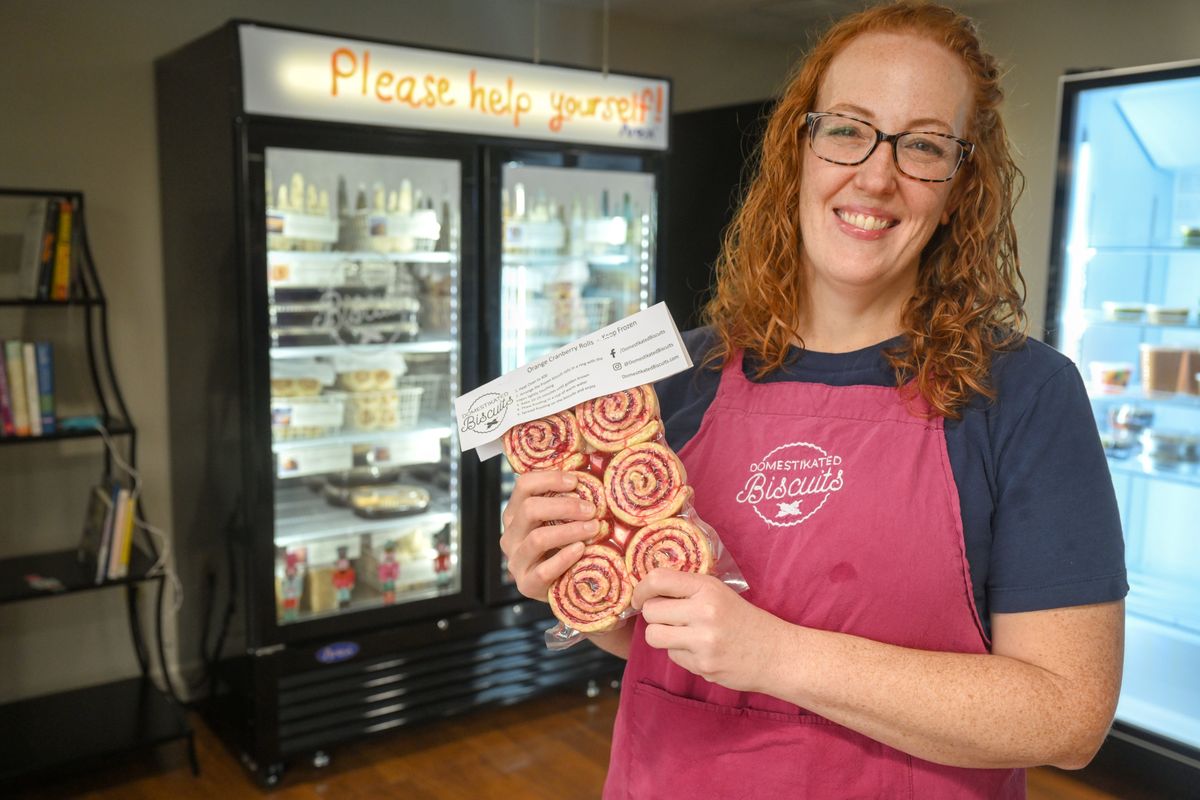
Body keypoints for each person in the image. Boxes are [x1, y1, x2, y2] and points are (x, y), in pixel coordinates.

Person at [500, 2, 1127, 797]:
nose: (875, 174)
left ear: (961, 184)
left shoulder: (1024, 396)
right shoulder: (674, 377)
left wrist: (776, 656)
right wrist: (572, 574)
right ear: (798, 145)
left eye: (925, 145)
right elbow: (658, 639)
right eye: (847, 129)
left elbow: (1066, 715)